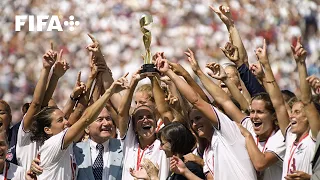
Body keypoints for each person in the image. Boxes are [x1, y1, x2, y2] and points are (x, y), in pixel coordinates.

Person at [155, 53, 257, 180]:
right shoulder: (208, 151)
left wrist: (172, 73)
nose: (194, 124)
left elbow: (197, 100)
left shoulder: (228, 130)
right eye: (192, 121)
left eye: (198, 119)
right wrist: (185, 172)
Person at [28, 75, 128, 180]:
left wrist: (94, 77)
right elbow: (86, 119)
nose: (66, 122)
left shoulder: (69, 146)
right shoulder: (53, 144)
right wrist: (109, 92)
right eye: (60, 120)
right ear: (47, 130)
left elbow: (81, 111)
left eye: (64, 118)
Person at [117, 70, 169, 180]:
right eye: (139, 118)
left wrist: (153, 77)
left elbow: (164, 111)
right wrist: (134, 81)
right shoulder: (129, 142)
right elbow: (122, 112)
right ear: (134, 127)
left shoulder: (164, 140)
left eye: (149, 116)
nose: (145, 119)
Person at [130, 122, 205, 180]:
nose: (160, 148)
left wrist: (154, 177)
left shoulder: (190, 168)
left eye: (163, 144)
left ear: (173, 143)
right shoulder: (179, 167)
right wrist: (148, 177)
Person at [74, 108, 123, 180]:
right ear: (87, 128)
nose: (106, 123)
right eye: (100, 119)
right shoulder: (75, 151)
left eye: (108, 118)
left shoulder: (123, 147)